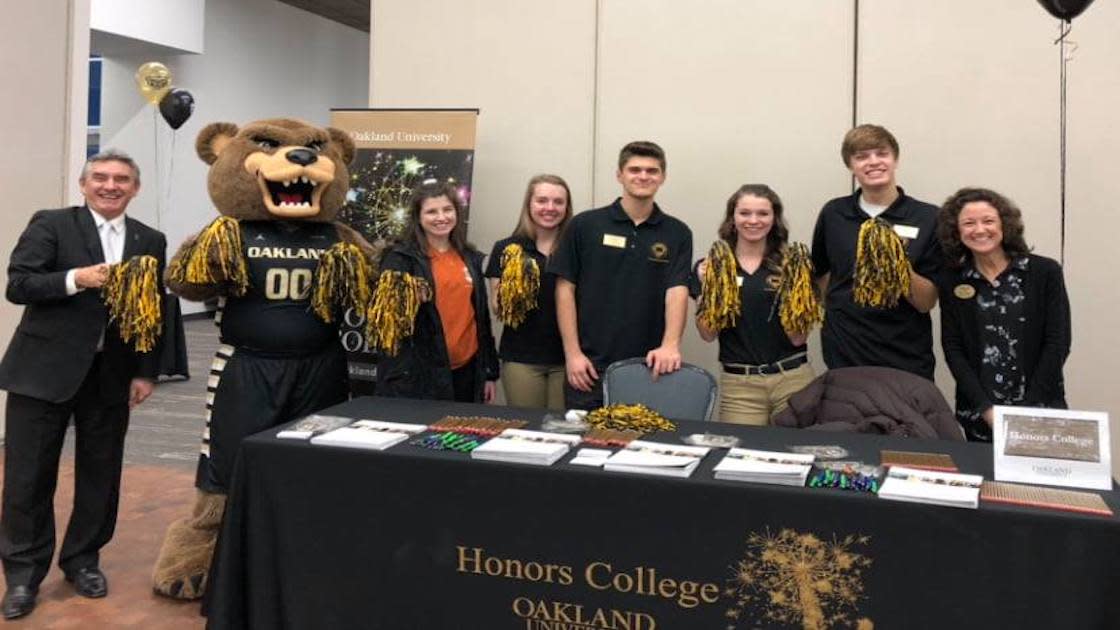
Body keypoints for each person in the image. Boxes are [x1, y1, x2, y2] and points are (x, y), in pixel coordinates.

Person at [0, 150, 166, 619]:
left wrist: (145, 370)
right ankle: (22, 576)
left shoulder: (149, 239)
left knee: (101, 474)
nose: (110, 185)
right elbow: (19, 284)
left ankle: (83, 561)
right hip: (41, 371)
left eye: (121, 179)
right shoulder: (51, 224)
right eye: (100, 177)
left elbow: (152, 310)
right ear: (83, 184)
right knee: (27, 478)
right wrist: (77, 278)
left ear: (135, 188)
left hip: (110, 376)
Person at [550, 141, 693, 409]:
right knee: (586, 447)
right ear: (619, 175)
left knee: (645, 447)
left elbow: (677, 291)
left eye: (652, 171)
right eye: (634, 169)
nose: (643, 176)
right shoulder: (585, 225)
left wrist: (670, 345)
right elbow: (564, 288)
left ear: (662, 177)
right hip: (589, 368)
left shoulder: (677, 232)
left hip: (650, 368)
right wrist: (573, 354)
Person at [936, 187, 1071, 442]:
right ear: (957, 230)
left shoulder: (1044, 272)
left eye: (988, 221)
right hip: (982, 415)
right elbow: (953, 348)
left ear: (1004, 225)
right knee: (987, 482)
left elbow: (1058, 343)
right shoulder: (953, 280)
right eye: (969, 223)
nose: (979, 229)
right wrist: (985, 409)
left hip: (1040, 411)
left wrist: (1025, 412)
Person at [811, 124, 943, 380]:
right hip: (845, 354)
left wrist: (896, 263)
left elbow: (927, 301)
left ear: (895, 159)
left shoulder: (928, 217)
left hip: (905, 354)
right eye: (861, 156)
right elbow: (823, 276)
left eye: (881, 154)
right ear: (851, 166)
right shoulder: (834, 213)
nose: (873, 162)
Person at [692, 185, 815, 425]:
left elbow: (798, 338)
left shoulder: (793, 263)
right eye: (745, 213)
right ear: (732, 218)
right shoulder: (710, 266)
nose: (754, 221)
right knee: (738, 457)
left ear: (774, 219)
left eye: (763, 214)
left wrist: (796, 287)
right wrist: (712, 287)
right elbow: (707, 334)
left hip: (793, 380)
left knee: (795, 454)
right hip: (740, 386)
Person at [375, 181, 498, 403]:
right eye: (432, 211)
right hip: (419, 376)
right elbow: (385, 321)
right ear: (418, 217)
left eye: (447, 209)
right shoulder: (400, 258)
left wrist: (489, 373)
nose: (441, 217)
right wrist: (409, 299)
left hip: (467, 372)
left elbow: (481, 318)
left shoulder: (470, 257)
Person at [485, 175, 572, 410]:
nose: (550, 208)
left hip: (569, 359)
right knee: (529, 428)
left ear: (567, 207)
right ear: (529, 204)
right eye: (542, 200)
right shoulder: (506, 248)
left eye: (558, 202)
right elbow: (496, 307)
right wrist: (514, 286)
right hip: (522, 358)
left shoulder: (576, 248)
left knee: (565, 429)